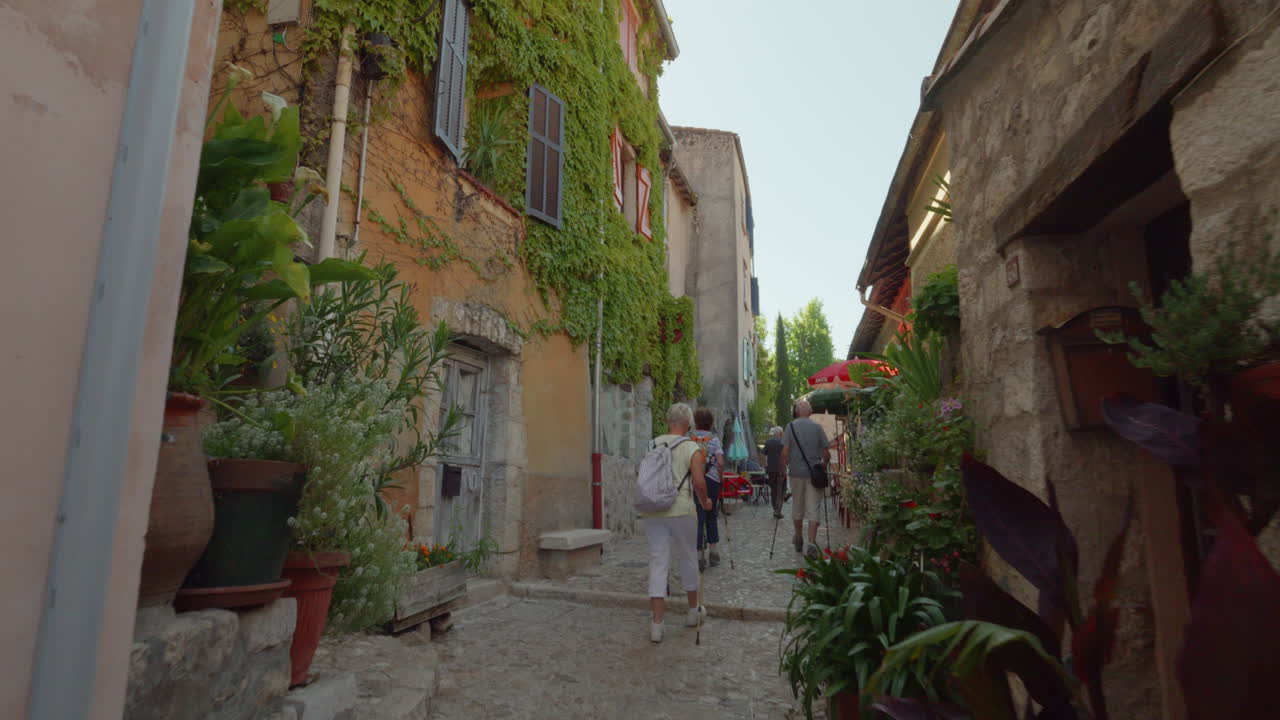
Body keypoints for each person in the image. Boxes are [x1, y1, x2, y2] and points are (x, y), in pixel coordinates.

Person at [642, 402, 713, 643]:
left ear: (668, 421)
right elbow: (700, 482)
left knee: (658, 561)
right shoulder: (691, 447)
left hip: (654, 510)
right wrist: (705, 502)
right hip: (682, 509)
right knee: (688, 557)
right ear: (688, 423)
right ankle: (693, 612)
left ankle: (657, 624)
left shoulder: (652, 444)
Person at [781, 399, 831, 559]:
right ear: (809, 412)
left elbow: (785, 451)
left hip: (795, 473)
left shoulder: (790, 427)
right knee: (813, 508)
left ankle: (798, 537)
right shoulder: (817, 428)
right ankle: (812, 543)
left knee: (797, 506)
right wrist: (823, 464)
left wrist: (783, 469)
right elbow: (826, 453)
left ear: (796, 412)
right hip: (814, 474)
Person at [690, 408, 726, 569]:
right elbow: (720, 462)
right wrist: (721, 477)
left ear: (695, 421)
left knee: (698, 517)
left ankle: (698, 556)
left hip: (695, 480)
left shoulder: (689, 438)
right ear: (710, 422)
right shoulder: (714, 439)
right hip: (712, 480)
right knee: (712, 515)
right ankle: (713, 552)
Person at [763, 426, 788, 519]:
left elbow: (763, 454)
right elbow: (785, 455)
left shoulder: (768, 442)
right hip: (780, 470)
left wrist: (764, 466)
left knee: (773, 490)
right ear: (781, 433)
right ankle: (778, 510)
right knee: (780, 489)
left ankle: (775, 508)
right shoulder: (783, 442)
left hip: (770, 470)